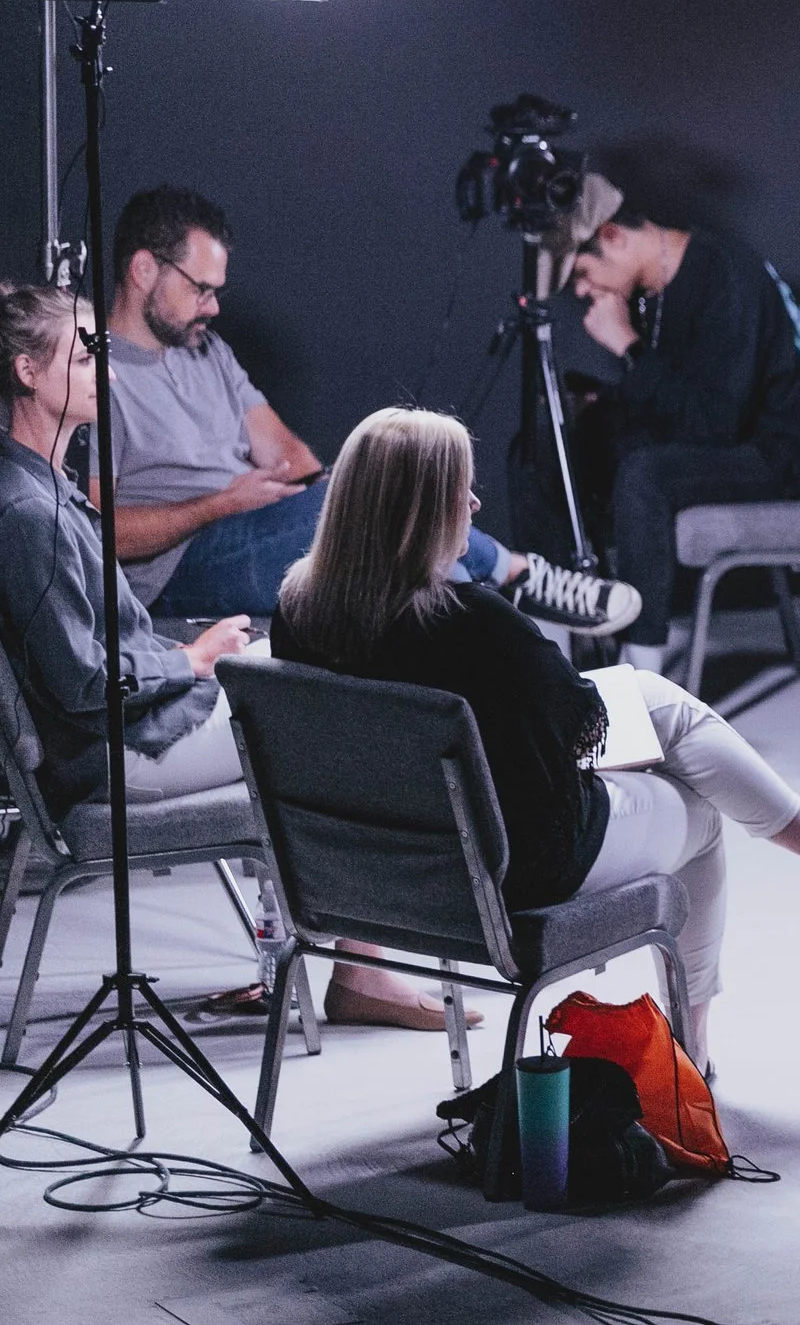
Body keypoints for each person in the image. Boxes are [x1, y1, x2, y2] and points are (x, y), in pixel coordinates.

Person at [270, 407, 800, 1071]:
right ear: (422, 512)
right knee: (699, 811)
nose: (476, 507)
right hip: (515, 867)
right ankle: (693, 1047)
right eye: (461, 491)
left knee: (658, 701)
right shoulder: (473, 622)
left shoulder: (298, 613)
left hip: (374, 877)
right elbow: (580, 726)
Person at [0, 283, 464, 1031]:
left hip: (137, 723)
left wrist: (197, 660)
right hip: (111, 752)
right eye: (87, 351)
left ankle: (345, 962)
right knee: (345, 710)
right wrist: (191, 660)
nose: (107, 369)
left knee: (323, 666)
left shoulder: (44, 487)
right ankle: (358, 968)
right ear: (26, 370)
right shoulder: (23, 509)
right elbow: (85, 681)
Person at [100, 186, 633, 634]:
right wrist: (221, 504)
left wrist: (345, 491)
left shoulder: (206, 349)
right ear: (145, 269)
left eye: (218, 291)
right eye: (201, 290)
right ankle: (517, 577)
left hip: (251, 525)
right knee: (369, 494)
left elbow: (283, 449)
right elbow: (104, 533)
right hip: (176, 569)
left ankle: (497, 614)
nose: (214, 307)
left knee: (382, 486)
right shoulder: (90, 373)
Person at [558, 173, 800, 671]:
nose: (586, 292)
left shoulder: (725, 278)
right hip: (737, 433)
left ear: (612, 236)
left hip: (793, 452)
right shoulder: (664, 281)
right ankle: (555, 646)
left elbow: (713, 425)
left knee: (645, 475)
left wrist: (628, 346)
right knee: (550, 447)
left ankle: (642, 667)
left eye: (583, 275)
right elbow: (691, 396)